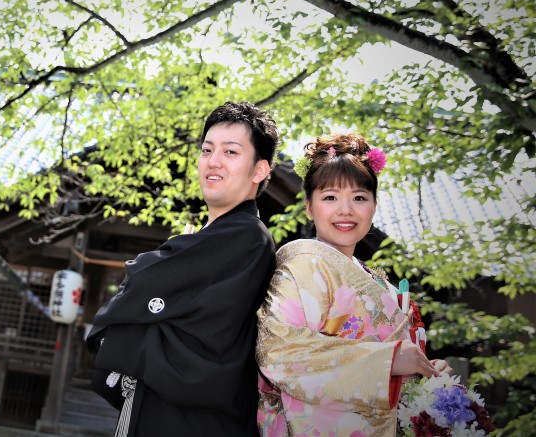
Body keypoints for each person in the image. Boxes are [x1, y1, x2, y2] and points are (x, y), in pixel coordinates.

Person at [86, 101, 280, 436]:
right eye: (207, 150)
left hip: (193, 421)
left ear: (259, 170)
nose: (213, 161)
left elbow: (143, 278)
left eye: (231, 152)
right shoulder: (216, 234)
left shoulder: (248, 236)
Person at [255, 132, 452, 436]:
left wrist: (424, 373)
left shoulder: (379, 282)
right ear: (309, 206)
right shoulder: (303, 263)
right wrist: (386, 361)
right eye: (330, 197)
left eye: (359, 198)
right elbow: (279, 352)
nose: (345, 210)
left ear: (374, 206)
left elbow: (398, 366)